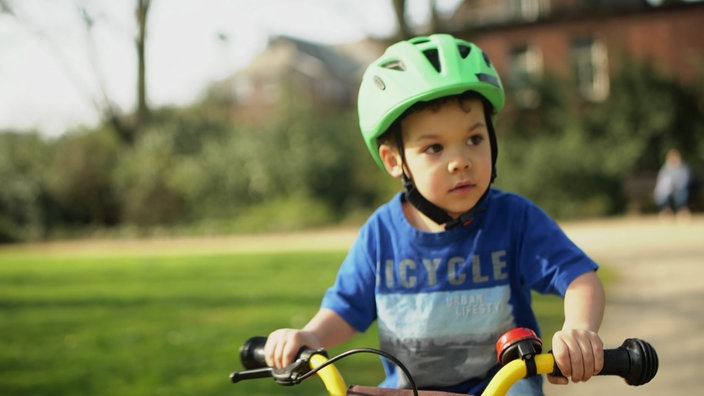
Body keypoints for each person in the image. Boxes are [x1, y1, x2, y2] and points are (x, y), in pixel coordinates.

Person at [263, 34, 605, 395]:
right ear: (395, 161)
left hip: (502, 388)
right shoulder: (382, 235)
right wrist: (311, 335)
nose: (460, 161)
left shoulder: (514, 219)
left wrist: (578, 329)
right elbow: (347, 307)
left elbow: (579, 278)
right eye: (434, 147)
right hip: (408, 389)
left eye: (474, 139)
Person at [653, 148, 691, 218]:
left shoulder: (682, 168)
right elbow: (661, 183)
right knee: (662, 194)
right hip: (667, 190)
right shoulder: (665, 169)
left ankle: (682, 212)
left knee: (680, 194)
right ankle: (666, 212)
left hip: (679, 190)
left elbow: (684, 181)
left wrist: (675, 186)